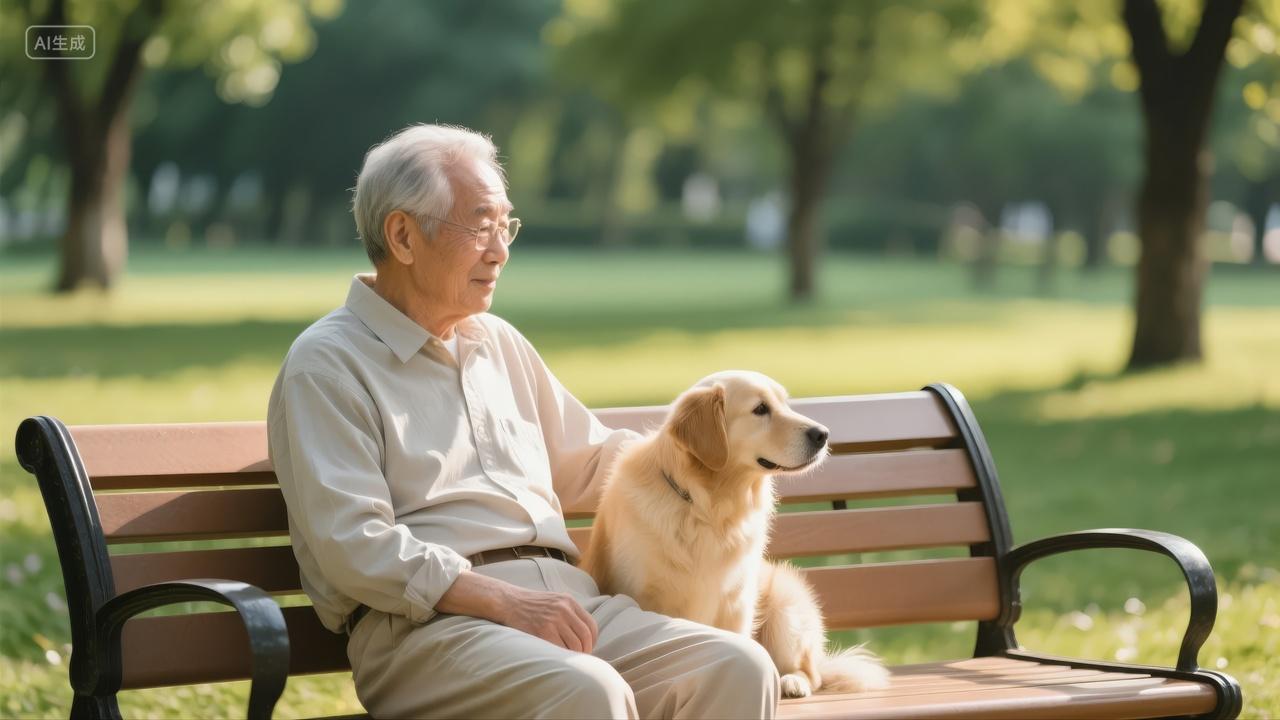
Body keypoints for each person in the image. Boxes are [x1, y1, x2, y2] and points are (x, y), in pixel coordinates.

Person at [267, 124, 780, 719]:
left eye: (504, 225)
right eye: (480, 224)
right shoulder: (327, 366)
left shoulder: (497, 343)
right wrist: (500, 600)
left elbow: (593, 462)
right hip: (428, 629)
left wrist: (717, 453)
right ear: (403, 236)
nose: (500, 249)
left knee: (739, 667)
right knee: (588, 690)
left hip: (570, 604)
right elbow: (351, 545)